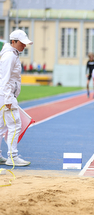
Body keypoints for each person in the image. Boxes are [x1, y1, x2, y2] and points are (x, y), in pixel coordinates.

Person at [0, 29, 33, 166]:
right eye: (22, 43)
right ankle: (12, 157)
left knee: (1, 127)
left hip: (4, 95)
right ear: (13, 41)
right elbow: (4, 79)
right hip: (6, 96)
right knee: (15, 125)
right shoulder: (10, 56)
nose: (24, 46)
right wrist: (8, 99)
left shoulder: (11, 54)